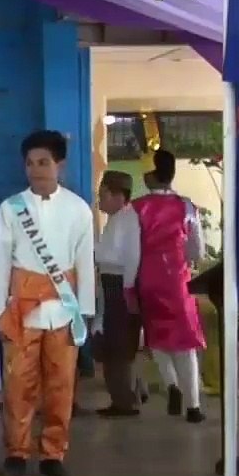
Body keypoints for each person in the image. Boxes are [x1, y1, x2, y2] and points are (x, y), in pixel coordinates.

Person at [0, 131, 95, 476]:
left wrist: (86, 311)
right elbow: (2, 261)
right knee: (18, 385)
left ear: (59, 165)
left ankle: (54, 452)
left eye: (43, 162)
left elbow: (84, 262)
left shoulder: (78, 209)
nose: (36, 169)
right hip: (21, 310)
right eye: (30, 163)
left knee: (61, 385)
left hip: (64, 310)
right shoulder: (11, 207)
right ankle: (16, 451)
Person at [120, 149, 206, 423]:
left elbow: (132, 253)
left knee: (156, 339)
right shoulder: (187, 206)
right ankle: (194, 406)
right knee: (186, 342)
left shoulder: (136, 208)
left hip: (150, 280)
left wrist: (128, 287)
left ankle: (171, 384)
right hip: (179, 281)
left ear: (152, 175)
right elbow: (198, 251)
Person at [93, 170, 143, 418]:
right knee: (112, 343)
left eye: (103, 195)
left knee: (119, 345)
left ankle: (124, 401)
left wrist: (128, 290)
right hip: (111, 283)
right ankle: (121, 397)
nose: (99, 200)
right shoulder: (116, 219)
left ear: (118, 195)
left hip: (120, 285)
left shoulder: (128, 219)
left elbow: (131, 257)